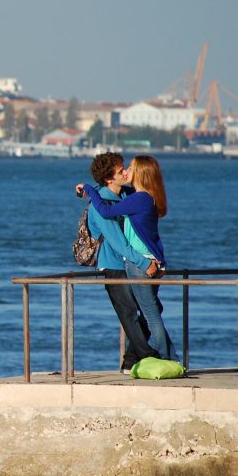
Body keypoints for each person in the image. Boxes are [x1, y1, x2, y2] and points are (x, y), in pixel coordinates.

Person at [77, 155, 178, 362]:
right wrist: (144, 262)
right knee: (130, 313)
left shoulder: (127, 195)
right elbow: (118, 242)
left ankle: (133, 359)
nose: (125, 172)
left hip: (131, 262)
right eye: (121, 170)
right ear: (109, 179)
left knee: (150, 309)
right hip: (114, 264)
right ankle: (148, 356)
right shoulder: (101, 203)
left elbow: (143, 191)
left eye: (126, 168)